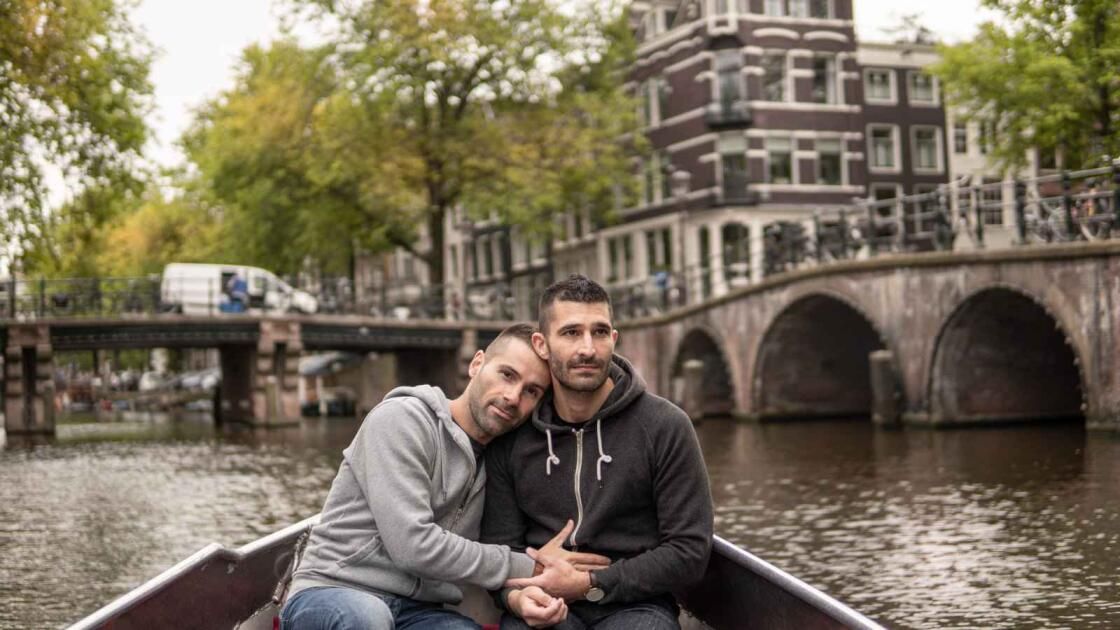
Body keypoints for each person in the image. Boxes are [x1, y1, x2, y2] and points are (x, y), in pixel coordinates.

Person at [282, 323, 609, 630]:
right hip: (333, 588)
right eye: (507, 375)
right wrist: (531, 565)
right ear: (477, 364)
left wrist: (527, 592)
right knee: (368, 619)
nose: (513, 397)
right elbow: (414, 546)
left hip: (417, 609)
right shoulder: (401, 420)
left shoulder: (503, 459)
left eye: (532, 392)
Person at [481, 275, 714, 629]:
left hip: (634, 606)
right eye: (571, 333)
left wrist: (591, 585)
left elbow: (688, 551)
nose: (588, 349)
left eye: (600, 332)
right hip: (542, 599)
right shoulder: (514, 436)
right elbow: (500, 547)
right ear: (542, 344)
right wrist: (514, 598)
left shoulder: (665, 426)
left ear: (614, 339)